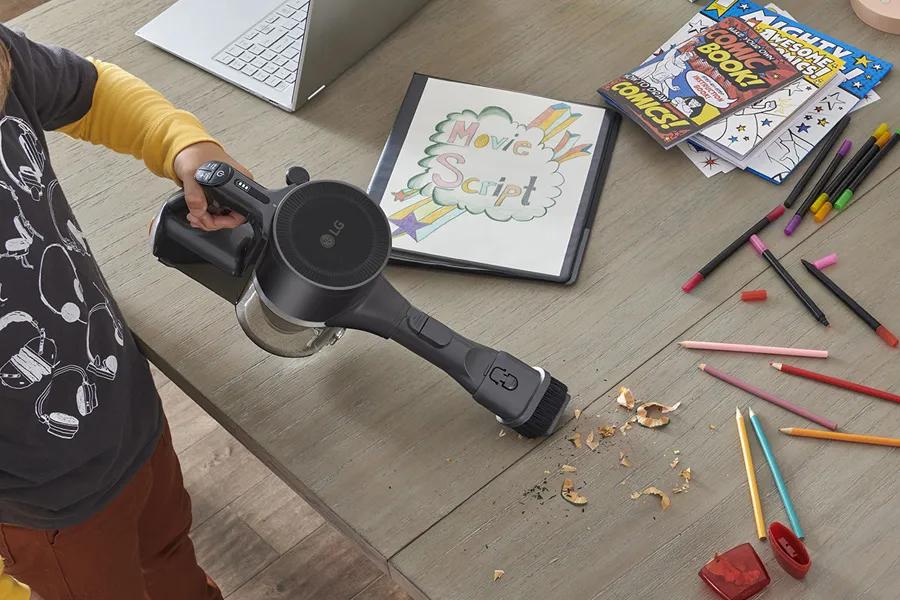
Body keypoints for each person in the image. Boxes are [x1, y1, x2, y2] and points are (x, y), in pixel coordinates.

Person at [0, 22, 250, 600]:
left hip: (129, 409)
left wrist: (187, 147)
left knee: (169, 552)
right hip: (49, 511)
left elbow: (93, 91)